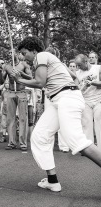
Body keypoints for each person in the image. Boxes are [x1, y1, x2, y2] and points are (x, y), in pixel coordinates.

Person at [12, 36, 101, 192]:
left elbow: (39, 83)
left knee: (77, 142)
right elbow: (68, 77)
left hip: (67, 99)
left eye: (24, 53)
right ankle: (52, 181)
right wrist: (23, 78)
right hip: (59, 100)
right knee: (40, 136)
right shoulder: (49, 59)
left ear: (33, 51)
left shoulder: (41, 55)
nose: (23, 57)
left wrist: (19, 80)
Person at [1, 52, 32, 151]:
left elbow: (31, 77)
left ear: (17, 54)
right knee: (10, 119)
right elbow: (1, 81)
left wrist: (20, 74)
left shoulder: (24, 64)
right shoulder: (6, 66)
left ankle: (23, 143)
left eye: (12, 52)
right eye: (9, 53)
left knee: (23, 118)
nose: (11, 54)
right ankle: (11, 142)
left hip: (21, 92)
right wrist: (3, 72)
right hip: (10, 92)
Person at [75, 54, 101, 150]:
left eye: (79, 65)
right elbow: (76, 88)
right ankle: (89, 148)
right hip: (85, 101)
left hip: (98, 100)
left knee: (99, 123)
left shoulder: (98, 68)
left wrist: (92, 82)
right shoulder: (78, 73)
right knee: (86, 123)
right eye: (77, 65)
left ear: (86, 62)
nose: (78, 67)